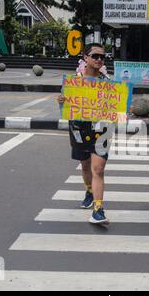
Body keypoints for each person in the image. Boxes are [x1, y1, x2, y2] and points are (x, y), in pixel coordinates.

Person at [57, 43, 112, 225]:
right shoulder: (74, 81)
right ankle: (89, 190)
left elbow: (114, 107)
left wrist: (124, 110)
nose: (99, 60)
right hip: (79, 129)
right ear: (85, 58)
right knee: (86, 165)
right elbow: (65, 107)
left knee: (99, 169)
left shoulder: (107, 82)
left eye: (102, 57)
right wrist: (61, 101)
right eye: (95, 56)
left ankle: (98, 209)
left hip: (100, 130)